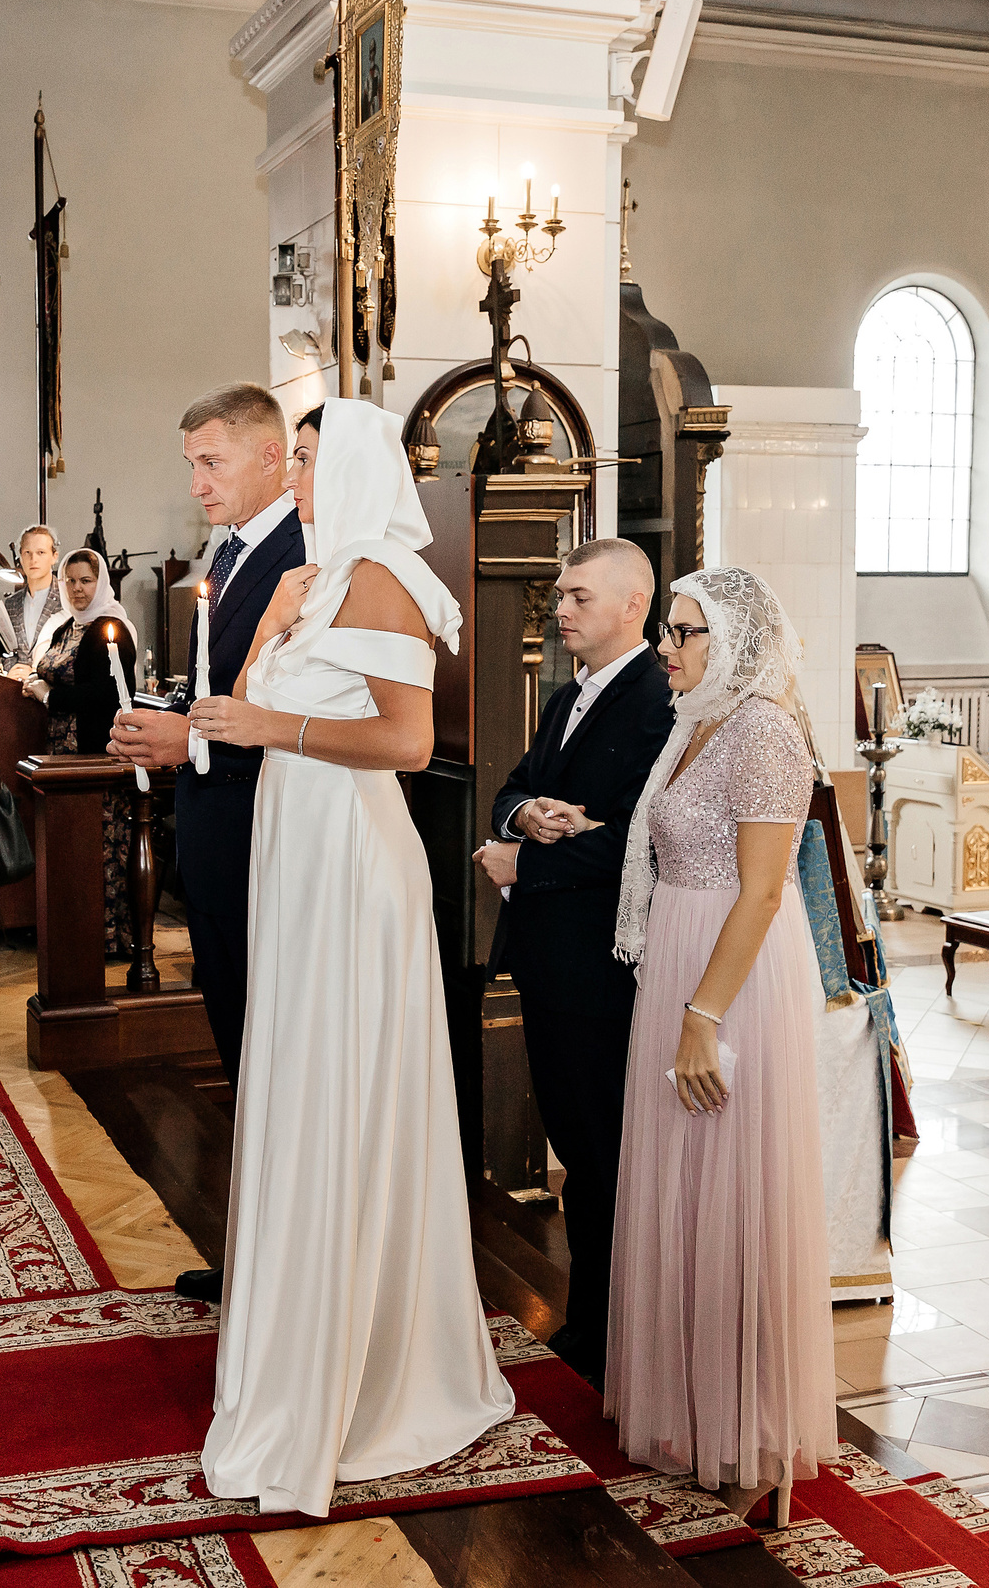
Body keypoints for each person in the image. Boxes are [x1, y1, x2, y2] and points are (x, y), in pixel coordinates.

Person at [187, 397, 511, 1518]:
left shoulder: (381, 577)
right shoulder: (312, 580)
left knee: (345, 1093)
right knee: (297, 1086)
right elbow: (239, 706)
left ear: (360, 470)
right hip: (297, 852)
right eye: (294, 460)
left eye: (310, 460)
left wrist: (271, 726)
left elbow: (409, 743)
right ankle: (300, 1333)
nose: (297, 478)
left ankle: (373, 1365)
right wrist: (267, 632)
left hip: (354, 862)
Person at [606, 564, 835, 1529]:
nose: (667, 646)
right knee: (687, 1193)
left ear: (734, 640)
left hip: (732, 979)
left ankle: (761, 1438)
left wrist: (703, 1013)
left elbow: (766, 890)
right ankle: (700, 1413)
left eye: (685, 631)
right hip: (680, 959)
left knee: (741, 1200)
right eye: (669, 629)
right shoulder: (693, 722)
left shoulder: (764, 730)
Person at [109, 382, 308, 1307]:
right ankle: (258, 1255)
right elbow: (220, 685)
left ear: (272, 457)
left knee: (278, 1054)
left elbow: (293, 714)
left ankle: (289, 1269)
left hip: (269, 833)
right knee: (240, 1049)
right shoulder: (228, 553)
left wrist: (184, 738)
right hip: (218, 838)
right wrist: (168, 719)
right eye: (191, 463)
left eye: (212, 461)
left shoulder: (302, 557)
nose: (196, 482)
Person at [472, 537, 672, 1388]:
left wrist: (528, 864)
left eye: (578, 596)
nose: (560, 609)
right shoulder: (566, 695)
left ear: (633, 604)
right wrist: (525, 817)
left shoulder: (657, 701)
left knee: (603, 1157)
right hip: (550, 961)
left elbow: (643, 843)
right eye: (559, 594)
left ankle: (611, 1334)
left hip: (602, 967)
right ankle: (592, 1322)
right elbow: (510, 786)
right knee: (579, 1149)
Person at [14, 546, 138, 953]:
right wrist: (34, 682)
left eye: (86, 580)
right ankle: (71, 937)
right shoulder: (67, 625)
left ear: (100, 583)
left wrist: (49, 696)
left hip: (95, 757)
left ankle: (107, 939)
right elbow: (51, 670)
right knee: (69, 850)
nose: (77, 588)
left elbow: (107, 696)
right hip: (61, 757)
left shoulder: (111, 628)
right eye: (70, 580)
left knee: (100, 850)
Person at [0, 523, 61, 659]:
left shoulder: (68, 599)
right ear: (20, 557)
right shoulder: (11, 604)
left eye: (41, 552)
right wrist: (14, 667)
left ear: (54, 557)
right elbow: (5, 651)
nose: (33, 560)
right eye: (27, 553)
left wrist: (35, 669)